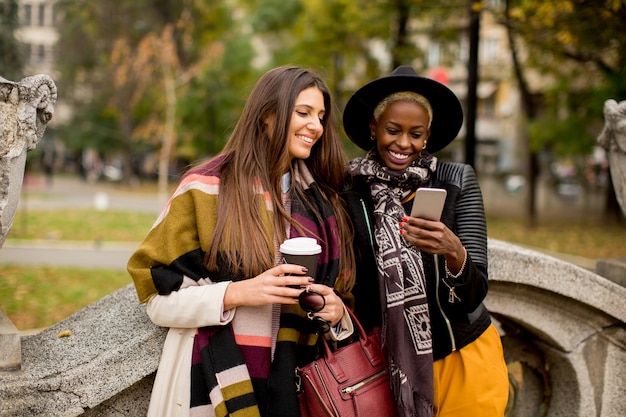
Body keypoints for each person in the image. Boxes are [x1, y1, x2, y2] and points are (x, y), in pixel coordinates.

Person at [127, 65, 356, 417]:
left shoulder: (322, 203)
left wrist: (336, 312)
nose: (316, 126)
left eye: (321, 116)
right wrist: (239, 293)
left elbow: (340, 302)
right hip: (210, 388)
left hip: (297, 393)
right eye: (303, 112)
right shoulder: (205, 188)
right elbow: (157, 300)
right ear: (267, 115)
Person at [342, 66, 509, 416]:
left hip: (463, 357)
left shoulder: (456, 180)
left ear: (427, 136)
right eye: (393, 130)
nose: (404, 143)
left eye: (415, 134)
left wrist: (454, 252)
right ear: (373, 129)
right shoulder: (349, 190)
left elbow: (475, 291)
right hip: (382, 367)